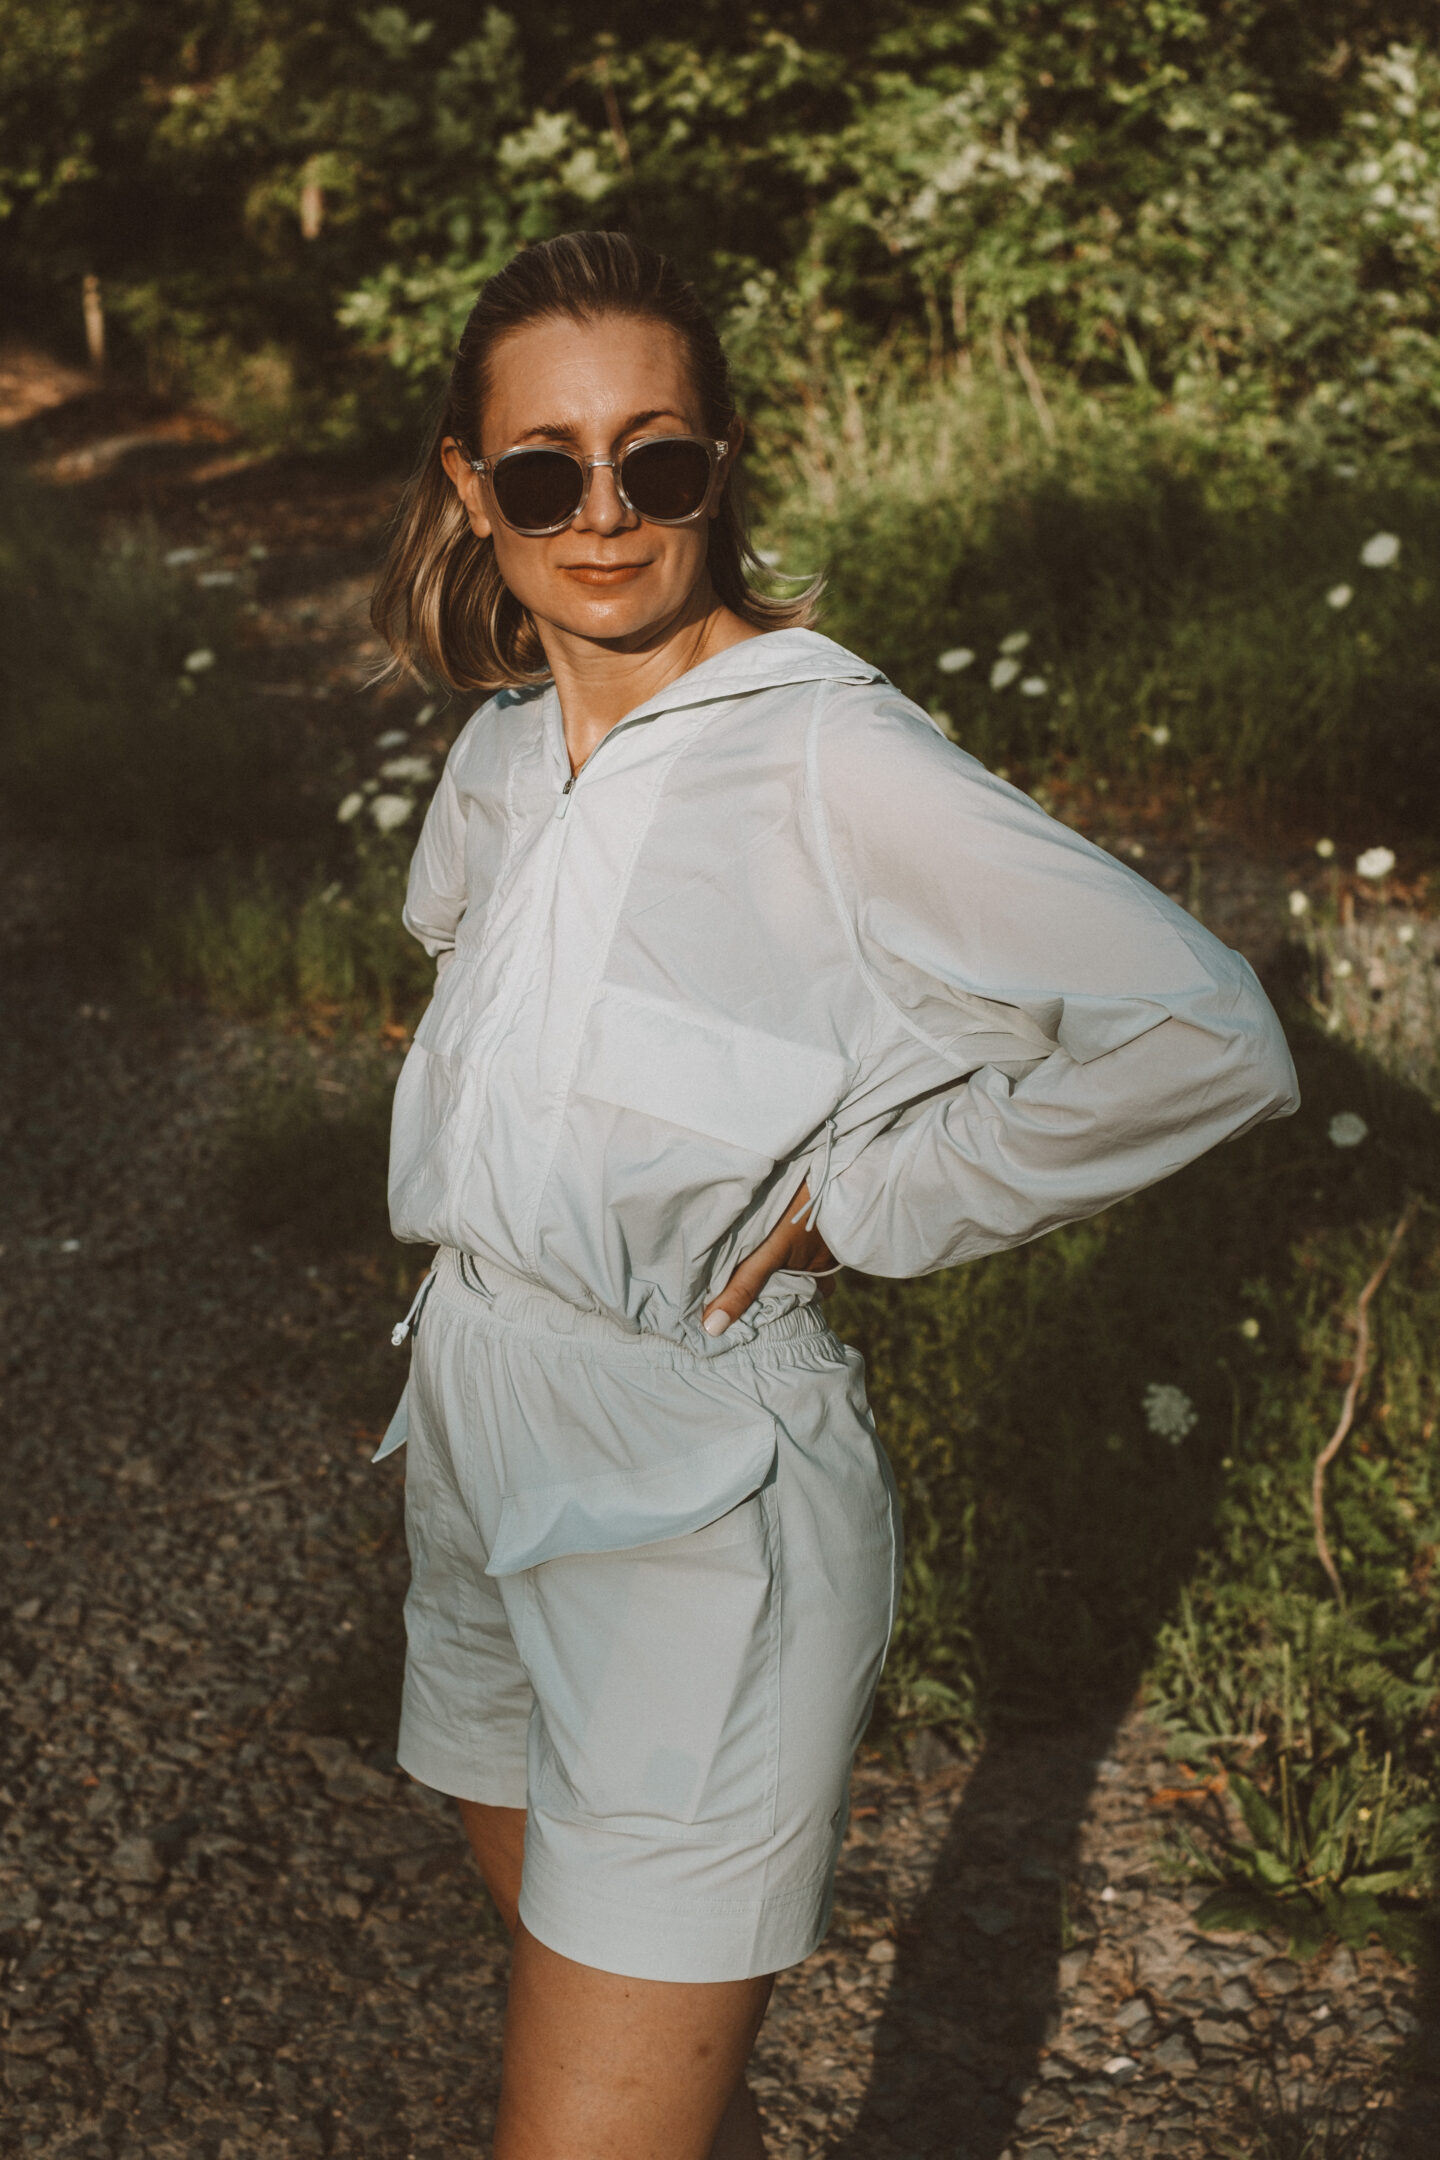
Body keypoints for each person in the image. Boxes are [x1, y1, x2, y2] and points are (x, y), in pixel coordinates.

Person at [369, 230, 1299, 2160]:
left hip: (691, 1503)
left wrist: (867, 1201)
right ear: (474, 490)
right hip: (473, 1418)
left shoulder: (830, 754)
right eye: (544, 469)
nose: (603, 512)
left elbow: (1204, 1030)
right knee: (583, 1997)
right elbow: (478, 971)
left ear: (723, 465)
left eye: (660, 460)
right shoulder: (494, 755)